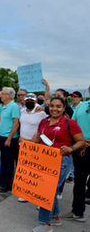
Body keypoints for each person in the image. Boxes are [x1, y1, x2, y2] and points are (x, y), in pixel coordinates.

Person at [31, 97, 85, 232]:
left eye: (59, 106)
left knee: (47, 190)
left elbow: (81, 141)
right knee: (50, 190)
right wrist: (30, 142)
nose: (55, 109)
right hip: (44, 160)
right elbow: (37, 138)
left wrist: (71, 148)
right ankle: (55, 217)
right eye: (52, 106)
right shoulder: (43, 121)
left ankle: (45, 224)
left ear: (64, 108)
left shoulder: (70, 123)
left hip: (61, 161)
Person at [61, 94, 90, 222]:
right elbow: (72, 126)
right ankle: (78, 212)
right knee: (79, 181)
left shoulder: (80, 106)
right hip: (82, 150)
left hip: (84, 146)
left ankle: (78, 211)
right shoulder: (81, 106)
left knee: (80, 181)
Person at [17, 93, 47, 203]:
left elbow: (48, 124)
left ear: (35, 101)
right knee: (25, 169)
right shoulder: (23, 111)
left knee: (35, 172)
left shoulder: (41, 112)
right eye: (27, 100)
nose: (29, 101)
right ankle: (25, 192)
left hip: (35, 145)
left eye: (31, 100)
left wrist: (39, 134)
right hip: (23, 144)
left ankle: (35, 194)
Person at [0, 87, 20, 192]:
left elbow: (16, 123)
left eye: (2, 94)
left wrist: (9, 138)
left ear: (8, 95)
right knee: (3, 159)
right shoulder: (4, 106)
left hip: (10, 138)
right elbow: (3, 123)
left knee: (8, 161)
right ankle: (2, 179)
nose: (1, 96)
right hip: (2, 136)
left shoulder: (14, 106)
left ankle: (7, 183)